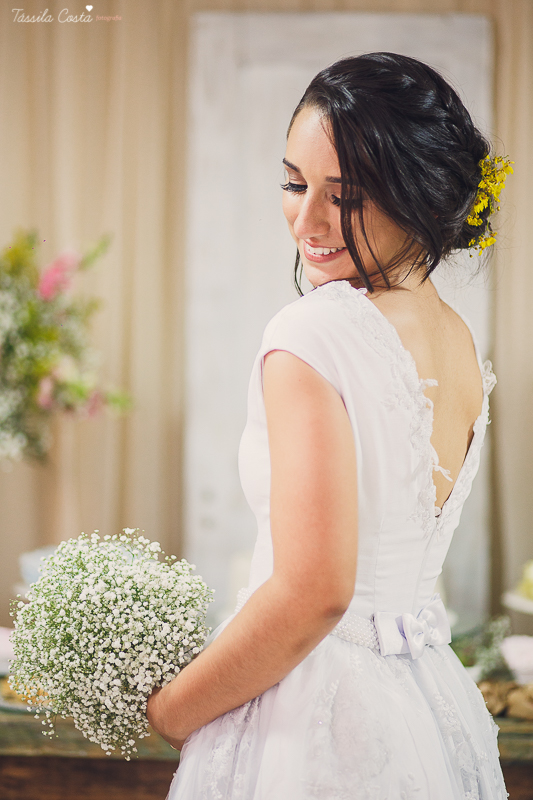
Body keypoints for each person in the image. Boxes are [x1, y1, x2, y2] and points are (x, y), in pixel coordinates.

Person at [147, 52, 509, 798]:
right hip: (427, 707)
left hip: (312, 719)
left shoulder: (313, 333)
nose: (307, 221)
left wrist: (174, 711)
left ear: (420, 194)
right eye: (293, 183)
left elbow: (314, 593)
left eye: (345, 196)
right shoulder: (457, 339)